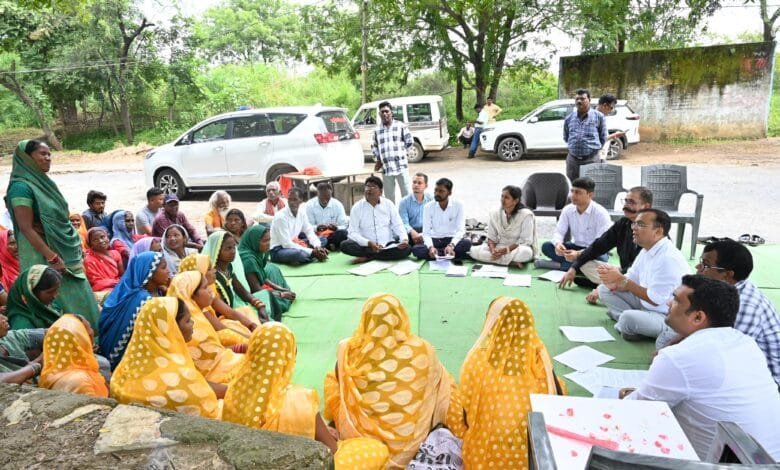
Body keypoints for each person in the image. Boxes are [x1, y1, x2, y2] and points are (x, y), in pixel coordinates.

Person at [620, 275, 780, 460]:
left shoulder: (679, 357)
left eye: (676, 300)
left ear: (698, 317)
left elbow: (634, 412)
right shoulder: (745, 343)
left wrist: (627, 397)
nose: (669, 303)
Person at [324, 293, 455, 468]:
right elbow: (440, 386)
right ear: (401, 317)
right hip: (410, 450)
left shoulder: (348, 350)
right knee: (440, 378)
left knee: (333, 379)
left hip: (365, 448)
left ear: (366, 319)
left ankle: (350, 426)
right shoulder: (423, 349)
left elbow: (340, 378)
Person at [449, 297, 563, 468]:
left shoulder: (477, 361)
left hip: (484, 455)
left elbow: (467, 407)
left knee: (450, 396)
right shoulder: (539, 361)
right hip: (531, 459)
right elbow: (554, 394)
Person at [5, 140, 100, 329]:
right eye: (42, 154)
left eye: (49, 154)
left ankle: (89, 335)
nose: (48, 158)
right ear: (27, 157)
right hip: (42, 253)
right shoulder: (21, 187)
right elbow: (26, 227)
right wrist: (52, 257)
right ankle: (66, 338)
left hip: (62, 251)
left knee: (81, 296)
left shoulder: (44, 183)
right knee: (56, 296)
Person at [222, 322, 338, 454]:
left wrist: (316, 426)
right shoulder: (300, 400)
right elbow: (332, 449)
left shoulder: (232, 393)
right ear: (288, 359)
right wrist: (317, 426)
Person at [110, 297, 221, 418]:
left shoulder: (123, 370)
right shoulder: (178, 378)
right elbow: (208, 410)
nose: (193, 324)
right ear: (171, 328)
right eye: (188, 320)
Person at [597, 209, 690, 347]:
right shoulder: (646, 250)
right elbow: (631, 278)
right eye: (634, 223)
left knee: (628, 318)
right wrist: (613, 282)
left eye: (640, 224)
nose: (633, 228)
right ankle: (632, 325)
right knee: (603, 289)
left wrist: (621, 280)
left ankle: (629, 324)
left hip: (666, 317)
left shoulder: (668, 258)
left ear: (658, 231)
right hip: (645, 305)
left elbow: (655, 300)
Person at [694, 240, 780, 386]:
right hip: (744, 366)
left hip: (767, 382)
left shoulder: (745, 306)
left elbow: (728, 356)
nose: (698, 267)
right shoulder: (728, 289)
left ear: (728, 275)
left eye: (706, 265)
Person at [559, 187, 653, 302]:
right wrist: (573, 268)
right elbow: (598, 246)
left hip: (640, 280)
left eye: (632, 202)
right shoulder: (623, 223)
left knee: (613, 289)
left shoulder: (652, 230)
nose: (626, 205)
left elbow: (640, 269)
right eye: (626, 201)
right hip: (623, 273)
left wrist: (604, 287)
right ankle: (609, 285)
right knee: (583, 261)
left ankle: (607, 286)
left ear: (646, 207)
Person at [167, 271, 245, 384]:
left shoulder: (195, 315)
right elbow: (212, 363)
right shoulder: (190, 328)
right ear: (192, 295)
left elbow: (215, 351)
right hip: (220, 375)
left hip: (224, 364)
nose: (210, 291)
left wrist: (244, 347)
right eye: (205, 287)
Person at [98, 251, 170, 369]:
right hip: (127, 361)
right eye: (163, 268)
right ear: (150, 272)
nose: (168, 271)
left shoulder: (131, 292)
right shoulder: (142, 300)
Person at [538, 177, 612, 271]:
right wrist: (558, 244)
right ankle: (578, 267)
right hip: (574, 246)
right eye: (572, 191)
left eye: (578, 192)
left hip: (593, 250)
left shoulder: (601, 213)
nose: (573, 195)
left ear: (590, 195)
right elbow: (559, 232)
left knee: (601, 259)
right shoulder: (568, 209)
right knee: (546, 246)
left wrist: (578, 254)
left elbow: (601, 244)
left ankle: (561, 266)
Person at [340, 176, 411, 263]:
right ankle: (379, 255)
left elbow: (398, 224)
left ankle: (369, 257)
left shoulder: (388, 204)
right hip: (367, 246)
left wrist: (404, 239)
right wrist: (368, 243)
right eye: (367, 187)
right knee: (345, 245)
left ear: (380, 192)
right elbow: (352, 232)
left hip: (387, 244)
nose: (369, 189)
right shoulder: (357, 207)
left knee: (407, 249)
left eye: (373, 187)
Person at [203, 231, 269, 323]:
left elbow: (242, 291)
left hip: (233, 312)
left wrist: (260, 306)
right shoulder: (212, 277)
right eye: (228, 248)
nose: (233, 251)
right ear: (216, 250)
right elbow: (223, 311)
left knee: (266, 296)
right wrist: (250, 322)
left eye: (234, 246)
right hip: (224, 318)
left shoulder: (228, 268)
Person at [39, 314, 108, 397]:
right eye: (88, 335)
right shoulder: (82, 381)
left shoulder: (49, 375)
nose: (92, 337)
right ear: (82, 341)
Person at [469, 185, 536, 267]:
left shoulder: (526, 215)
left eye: (506, 198)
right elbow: (491, 237)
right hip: (500, 246)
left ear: (515, 201)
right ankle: (511, 263)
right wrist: (493, 250)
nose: (502, 200)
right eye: (502, 196)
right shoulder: (495, 214)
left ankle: (498, 260)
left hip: (517, 248)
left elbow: (525, 240)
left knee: (526, 253)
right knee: (472, 251)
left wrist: (505, 250)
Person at [238, 224, 295, 321]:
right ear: (254, 241)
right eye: (265, 241)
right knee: (279, 304)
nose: (268, 244)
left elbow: (262, 277)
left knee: (273, 269)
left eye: (269, 240)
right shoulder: (248, 259)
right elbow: (257, 290)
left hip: (257, 287)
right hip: (251, 294)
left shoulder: (258, 252)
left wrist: (280, 289)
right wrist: (282, 294)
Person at [412, 178, 471, 260]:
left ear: (449, 193)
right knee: (416, 249)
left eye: (441, 191)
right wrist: (431, 247)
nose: (437, 193)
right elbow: (426, 232)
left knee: (467, 244)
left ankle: (441, 254)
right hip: (435, 240)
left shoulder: (459, 205)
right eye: (435, 190)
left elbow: (460, 230)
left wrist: (451, 245)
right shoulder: (428, 207)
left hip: (451, 239)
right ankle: (448, 254)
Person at [269, 187, 329, 265]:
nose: (292, 202)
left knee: (322, 239)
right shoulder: (280, 217)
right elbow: (286, 244)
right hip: (279, 249)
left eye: (295, 199)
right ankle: (311, 255)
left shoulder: (302, 213)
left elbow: (309, 231)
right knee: (298, 254)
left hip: (296, 243)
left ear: (301, 200)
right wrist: (312, 251)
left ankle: (312, 254)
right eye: (290, 199)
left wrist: (317, 247)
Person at [372, 101, 413, 203]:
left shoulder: (401, 126)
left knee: (406, 195)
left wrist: (401, 153)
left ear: (391, 113)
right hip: (386, 169)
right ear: (379, 114)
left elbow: (409, 142)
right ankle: (392, 214)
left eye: (387, 111)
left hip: (401, 167)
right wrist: (378, 159)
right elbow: (374, 147)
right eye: (382, 112)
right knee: (389, 199)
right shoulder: (377, 130)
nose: (385, 114)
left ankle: (406, 213)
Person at [563, 88, 607, 181]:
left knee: (591, 186)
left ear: (589, 100)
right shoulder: (569, 118)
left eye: (582, 99)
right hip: (573, 161)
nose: (579, 101)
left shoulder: (599, 117)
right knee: (572, 185)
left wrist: (593, 151)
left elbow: (603, 137)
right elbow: (566, 137)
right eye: (577, 99)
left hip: (591, 160)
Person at [6, 265, 63, 330]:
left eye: (57, 290)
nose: (55, 296)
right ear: (32, 293)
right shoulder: (21, 323)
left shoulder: (47, 305)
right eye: (49, 292)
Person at [305, 182, 348, 251]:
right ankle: (329, 245)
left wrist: (336, 228)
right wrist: (317, 228)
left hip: (332, 235)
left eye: (328, 198)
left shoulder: (337, 204)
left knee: (344, 233)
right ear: (317, 194)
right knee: (303, 234)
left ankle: (322, 245)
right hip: (315, 235)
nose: (325, 200)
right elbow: (307, 226)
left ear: (331, 194)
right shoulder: (309, 205)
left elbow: (344, 225)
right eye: (322, 198)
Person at [83, 227, 123, 294]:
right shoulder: (88, 260)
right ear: (90, 244)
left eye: (102, 237)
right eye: (95, 240)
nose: (101, 241)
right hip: (102, 290)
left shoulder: (116, 254)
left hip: (118, 284)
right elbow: (96, 282)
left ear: (107, 237)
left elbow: (122, 275)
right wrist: (115, 283)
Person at [398, 173, 433, 246]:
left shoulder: (431, 200)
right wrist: (412, 231)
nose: (416, 185)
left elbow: (435, 219)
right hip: (411, 231)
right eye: (414, 182)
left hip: (427, 231)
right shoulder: (404, 202)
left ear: (426, 186)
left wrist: (425, 233)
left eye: (419, 183)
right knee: (402, 241)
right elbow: (404, 223)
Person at [595, 94, 625, 162]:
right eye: (611, 107)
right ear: (605, 105)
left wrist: (612, 136)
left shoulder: (601, 117)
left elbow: (602, 137)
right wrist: (614, 135)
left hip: (601, 156)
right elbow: (596, 139)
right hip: (596, 157)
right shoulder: (593, 118)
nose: (611, 110)